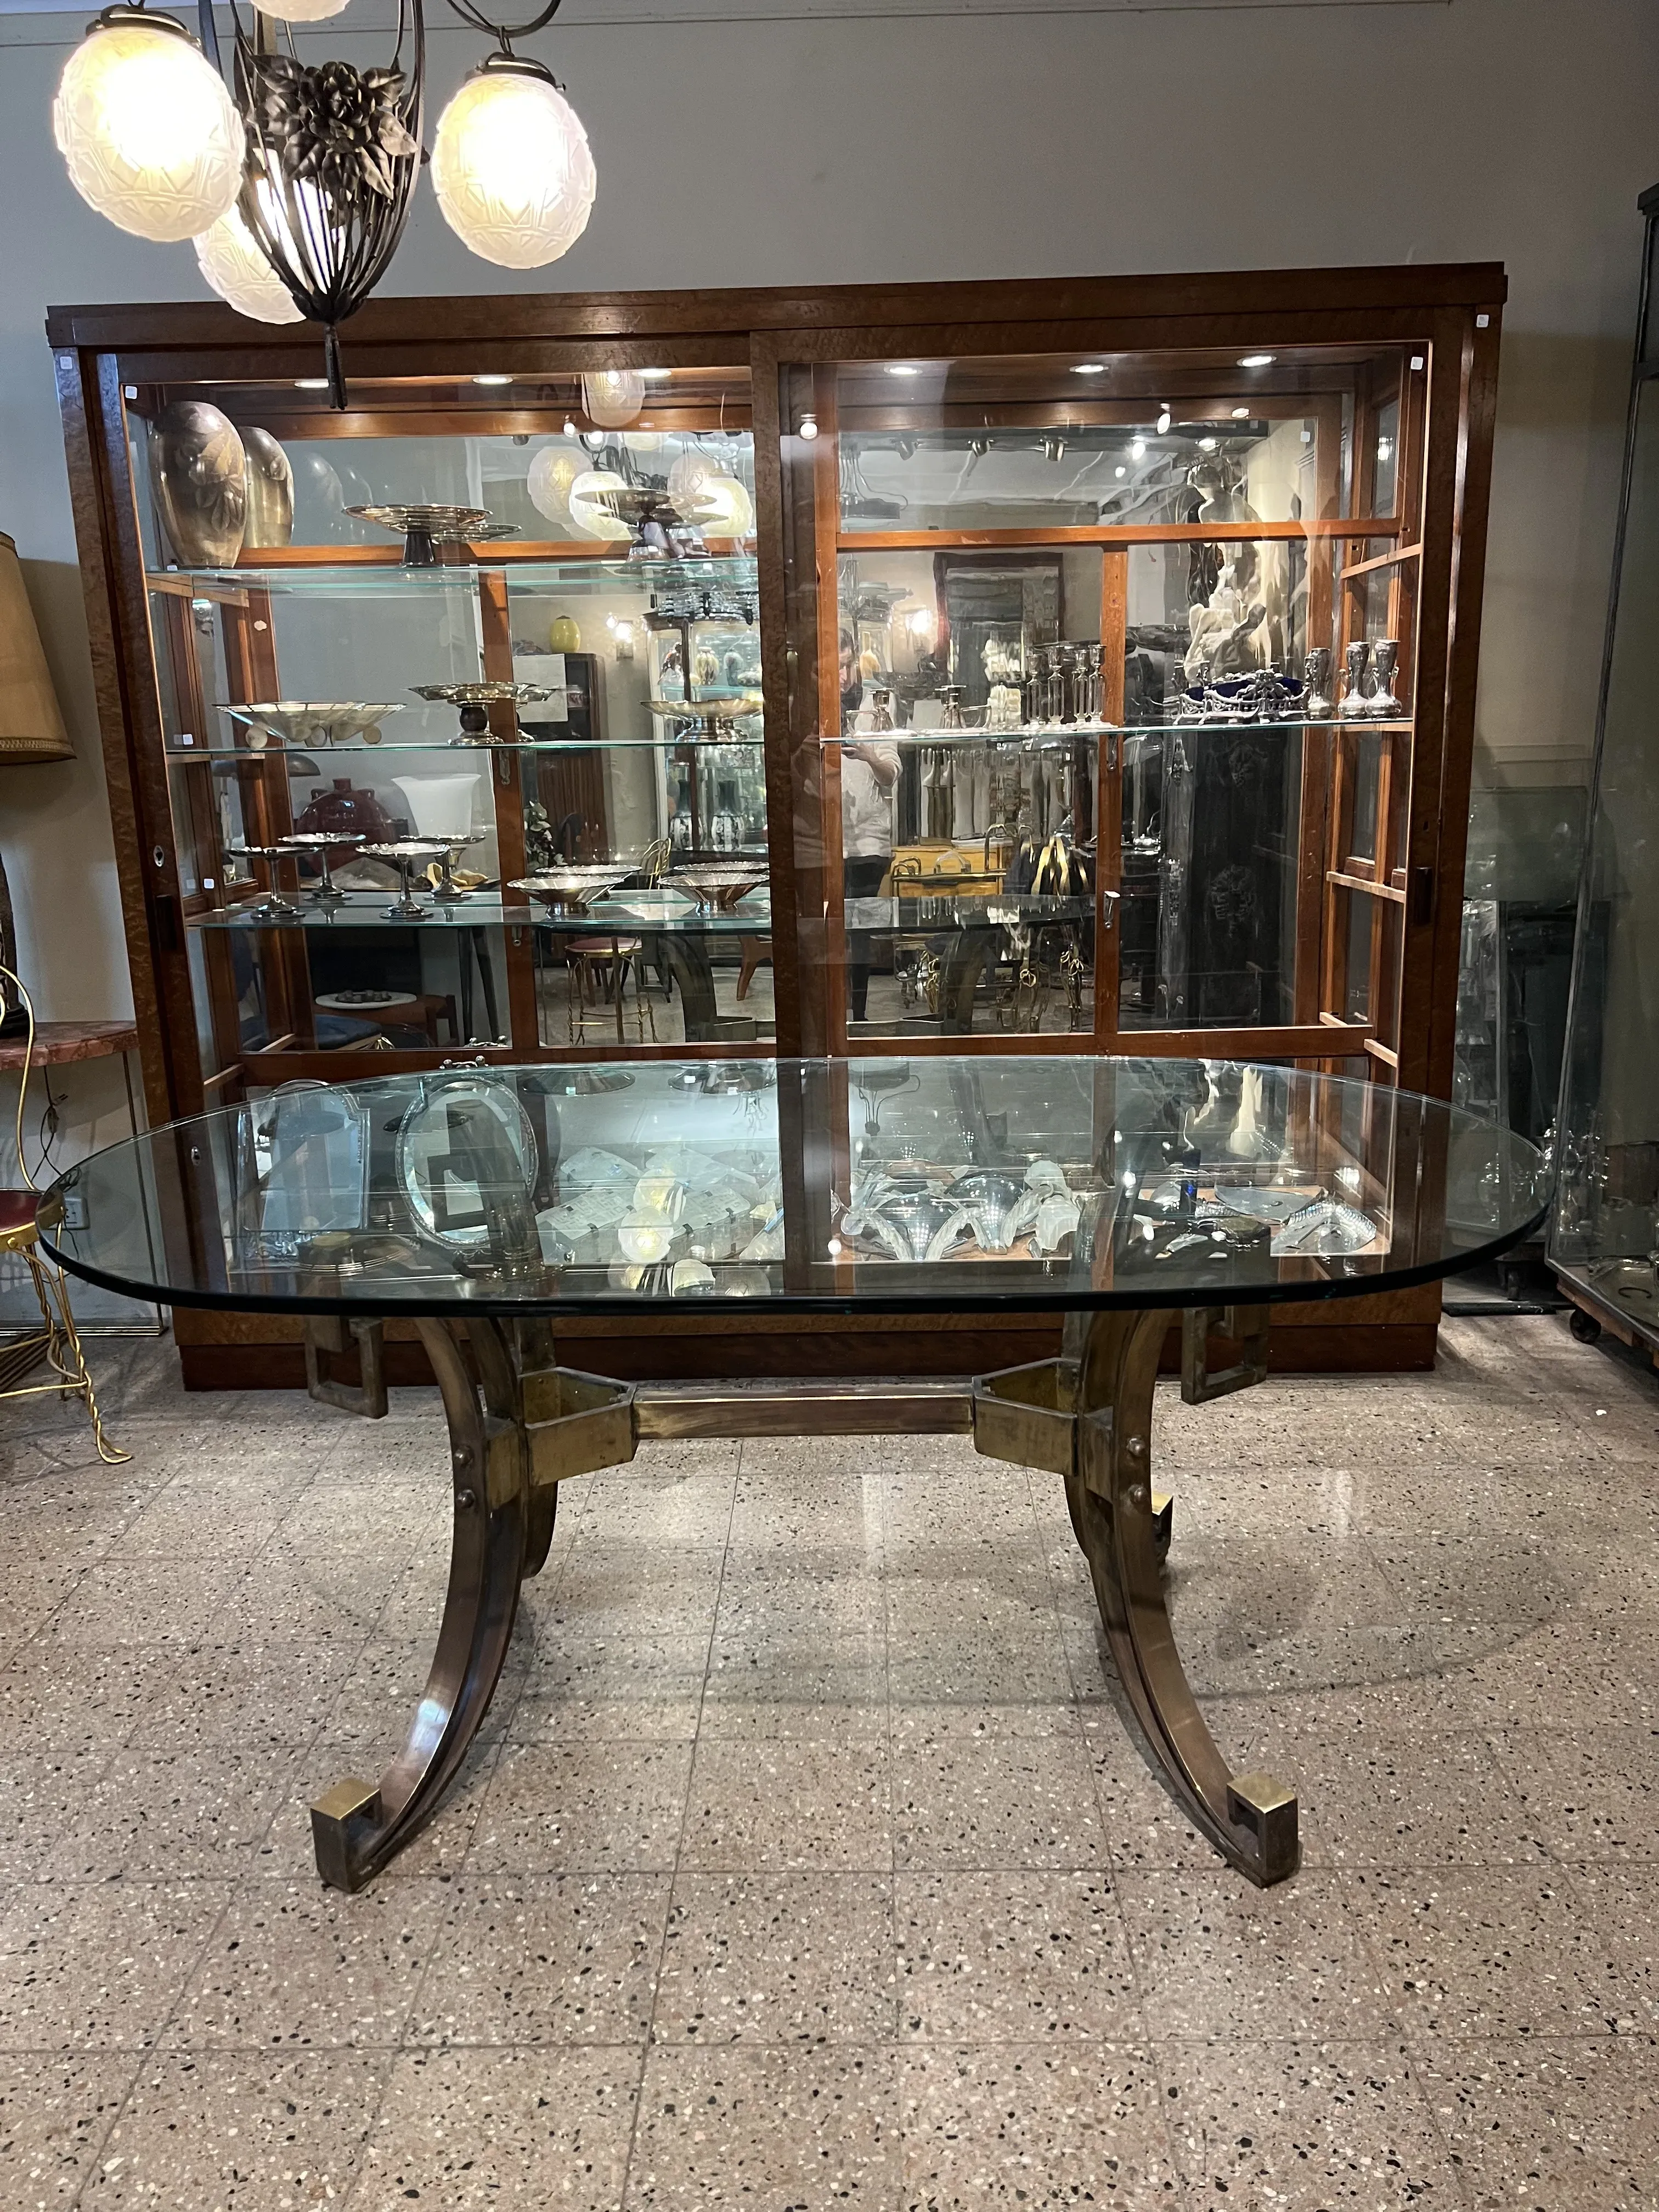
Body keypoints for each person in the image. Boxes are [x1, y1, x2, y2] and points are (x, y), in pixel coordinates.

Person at [838, 629, 899, 1024]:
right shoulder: (815, 704)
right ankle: (830, 1020)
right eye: (832, 669)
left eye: (846, 665)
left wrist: (868, 755)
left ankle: (857, 1018)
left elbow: (891, 774)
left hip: (868, 842)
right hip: (826, 840)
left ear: (856, 657)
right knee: (824, 932)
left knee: (857, 934)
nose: (841, 676)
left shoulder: (881, 703)